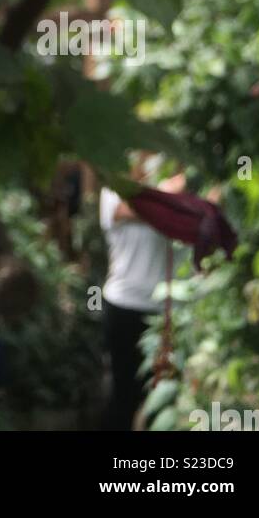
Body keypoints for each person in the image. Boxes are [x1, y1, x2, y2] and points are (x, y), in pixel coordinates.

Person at [99, 157, 185, 430]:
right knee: (125, 392)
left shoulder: (171, 195)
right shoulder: (113, 193)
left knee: (160, 397)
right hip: (124, 305)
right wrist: (174, 194)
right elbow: (138, 209)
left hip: (166, 312)